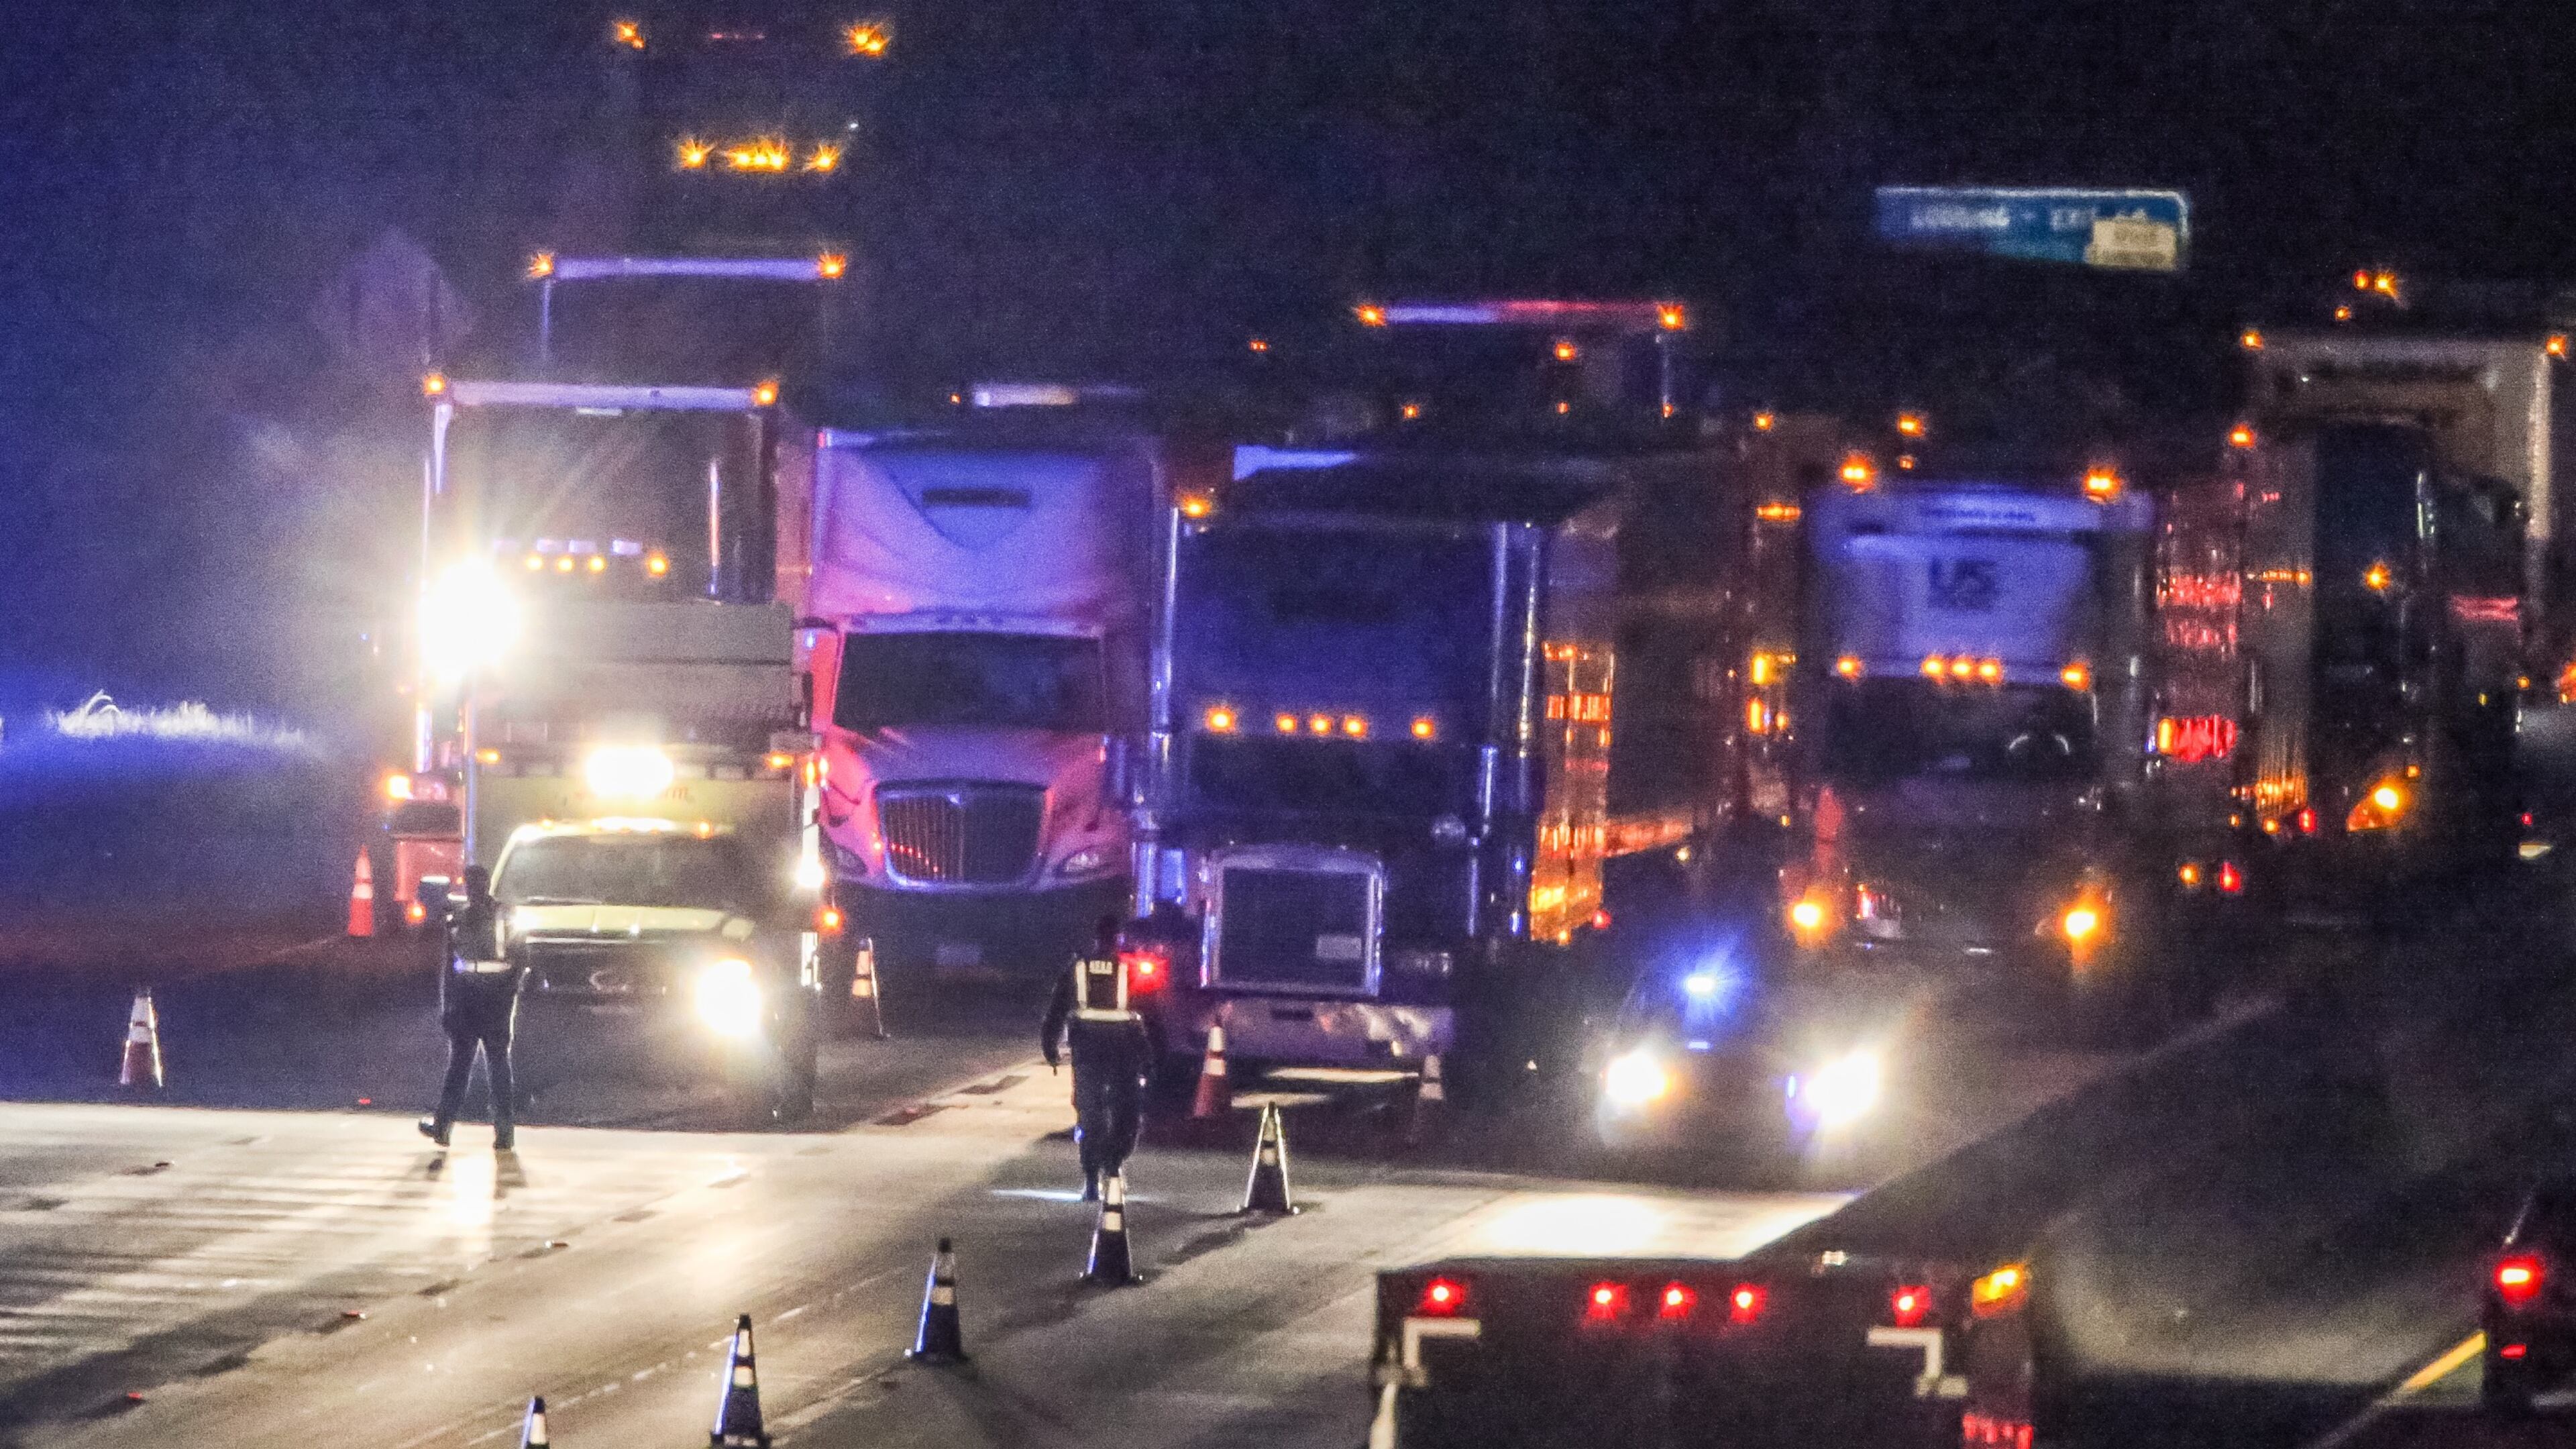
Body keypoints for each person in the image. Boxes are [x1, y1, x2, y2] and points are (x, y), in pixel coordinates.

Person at [1041, 917, 1151, 1201]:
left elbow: (1056, 1009)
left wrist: (1050, 1045)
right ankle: (1113, 1168)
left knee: (1090, 1115)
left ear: (1096, 938)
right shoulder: (1130, 970)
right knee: (1126, 1115)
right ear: (1119, 939)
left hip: (1088, 1051)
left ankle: (1091, 1180)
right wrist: (1149, 1057)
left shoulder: (1077, 968)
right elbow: (1147, 1016)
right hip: (1123, 1053)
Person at [420, 864, 523, 1150]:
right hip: (484, 996)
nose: (472, 888)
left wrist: (449, 1006)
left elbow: (519, 957)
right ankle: (499, 1132)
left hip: (480, 996)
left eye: (474, 883)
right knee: (490, 1063)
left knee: (472, 1064)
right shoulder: (477, 916)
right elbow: (520, 957)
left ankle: (447, 1127)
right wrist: (509, 991)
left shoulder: (467, 918)